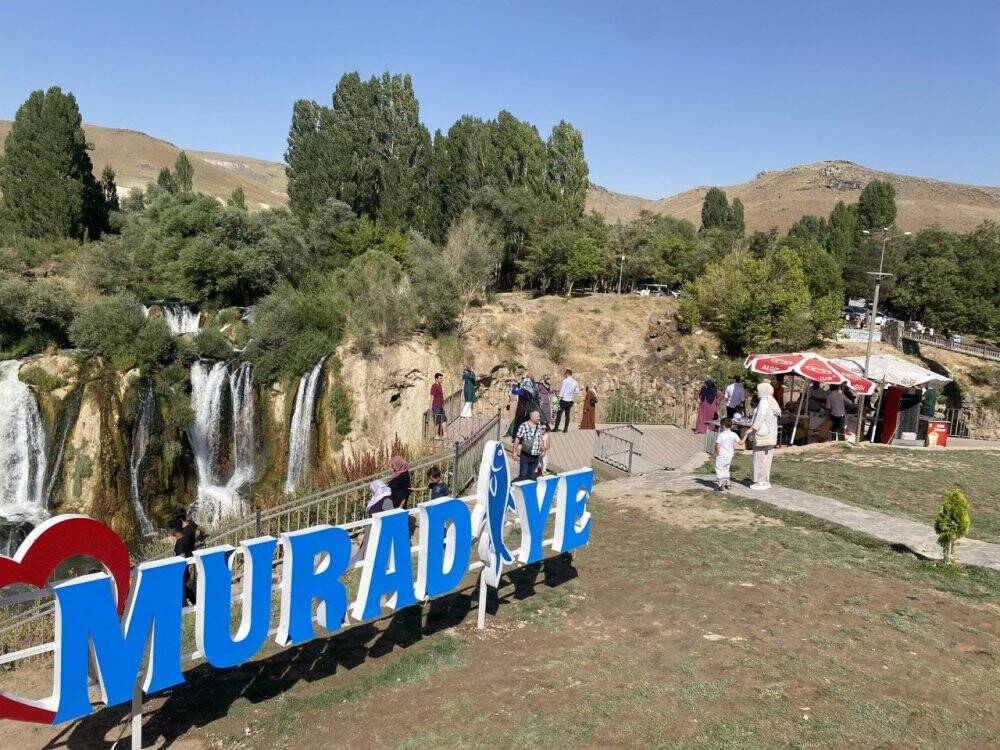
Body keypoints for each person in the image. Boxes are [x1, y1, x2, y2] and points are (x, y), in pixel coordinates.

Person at [747, 382, 780, 490]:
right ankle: (765, 481)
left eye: (759, 389)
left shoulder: (764, 402)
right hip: (770, 436)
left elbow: (760, 417)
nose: (757, 392)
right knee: (767, 458)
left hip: (762, 435)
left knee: (759, 457)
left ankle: (760, 482)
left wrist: (752, 429)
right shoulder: (772, 401)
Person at [169, 518, 197, 606]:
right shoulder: (185, 539)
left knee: (182, 593)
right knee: (187, 590)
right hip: (188, 571)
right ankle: (194, 603)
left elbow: (181, 559)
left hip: (183, 573)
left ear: (173, 530)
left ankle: (187, 607)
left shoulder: (180, 544)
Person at [514, 409, 545, 481]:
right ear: (531, 417)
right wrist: (514, 452)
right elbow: (517, 439)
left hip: (536, 456)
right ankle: (520, 490)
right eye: (537, 416)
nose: (539, 418)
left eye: (539, 416)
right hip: (526, 455)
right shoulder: (524, 425)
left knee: (531, 475)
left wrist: (543, 449)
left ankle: (527, 490)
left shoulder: (539, 425)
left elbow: (539, 437)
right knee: (523, 474)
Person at [714, 417, 741, 491]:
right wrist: (746, 434)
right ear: (731, 426)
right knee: (726, 469)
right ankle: (728, 484)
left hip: (722, 454)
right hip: (730, 455)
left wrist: (717, 452)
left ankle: (720, 485)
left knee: (719, 468)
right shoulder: (734, 434)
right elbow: (740, 443)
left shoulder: (721, 435)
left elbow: (718, 445)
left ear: (723, 426)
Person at [555, 369, 580, 433]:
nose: (564, 375)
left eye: (565, 374)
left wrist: (559, 398)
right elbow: (577, 391)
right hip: (570, 400)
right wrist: (571, 393)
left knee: (559, 414)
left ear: (567, 374)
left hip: (564, 399)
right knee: (567, 415)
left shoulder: (565, 380)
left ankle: (556, 428)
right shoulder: (575, 382)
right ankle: (565, 429)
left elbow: (562, 390)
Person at [430, 372, 447, 437]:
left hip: (440, 406)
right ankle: (436, 435)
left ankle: (445, 434)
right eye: (440, 378)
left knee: (444, 419)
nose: (441, 379)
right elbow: (431, 397)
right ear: (436, 379)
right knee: (437, 421)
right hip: (436, 406)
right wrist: (430, 408)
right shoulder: (434, 386)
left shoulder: (439, 385)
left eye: (442, 378)